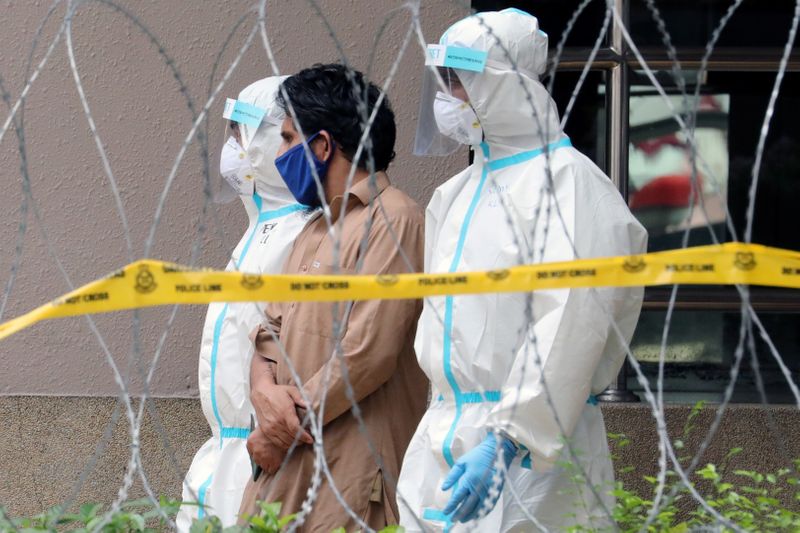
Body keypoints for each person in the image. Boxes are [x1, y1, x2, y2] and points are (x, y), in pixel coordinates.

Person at [397, 9, 648, 532]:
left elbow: (571, 324)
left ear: (502, 84)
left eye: (459, 81)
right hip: (443, 436)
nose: (447, 97)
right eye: (442, 81)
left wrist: (508, 438)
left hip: (533, 454)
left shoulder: (570, 185)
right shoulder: (456, 193)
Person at [238, 63, 428, 531]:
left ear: (323, 145)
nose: (280, 153)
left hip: (351, 468)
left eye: (286, 139)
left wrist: (277, 434)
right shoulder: (315, 226)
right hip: (283, 463)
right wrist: (264, 395)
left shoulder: (395, 220)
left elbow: (367, 354)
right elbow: (269, 335)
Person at [176, 76, 311, 531]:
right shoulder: (259, 230)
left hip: (267, 449)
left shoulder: (306, 233)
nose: (235, 148)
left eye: (243, 133)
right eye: (231, 134)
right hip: (224, 450)